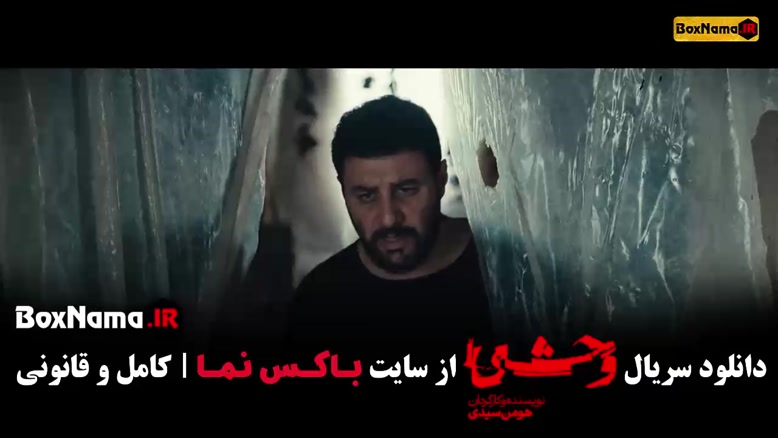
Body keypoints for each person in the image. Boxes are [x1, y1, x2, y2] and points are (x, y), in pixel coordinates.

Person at [284, 95, 493, 357]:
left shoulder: (504, 272)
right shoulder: (319, 301)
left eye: (406, 190)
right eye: (366, 196)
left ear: (440, 180)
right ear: (344, 191)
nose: (388, 218)